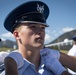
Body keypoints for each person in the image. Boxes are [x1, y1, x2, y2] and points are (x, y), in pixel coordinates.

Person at [1, 1, 76, 75]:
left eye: (43, 27)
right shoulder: (9, 71)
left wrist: (59, 56)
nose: (41, 31)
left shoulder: (54, 67)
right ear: (17, 35)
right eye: (33, 26)